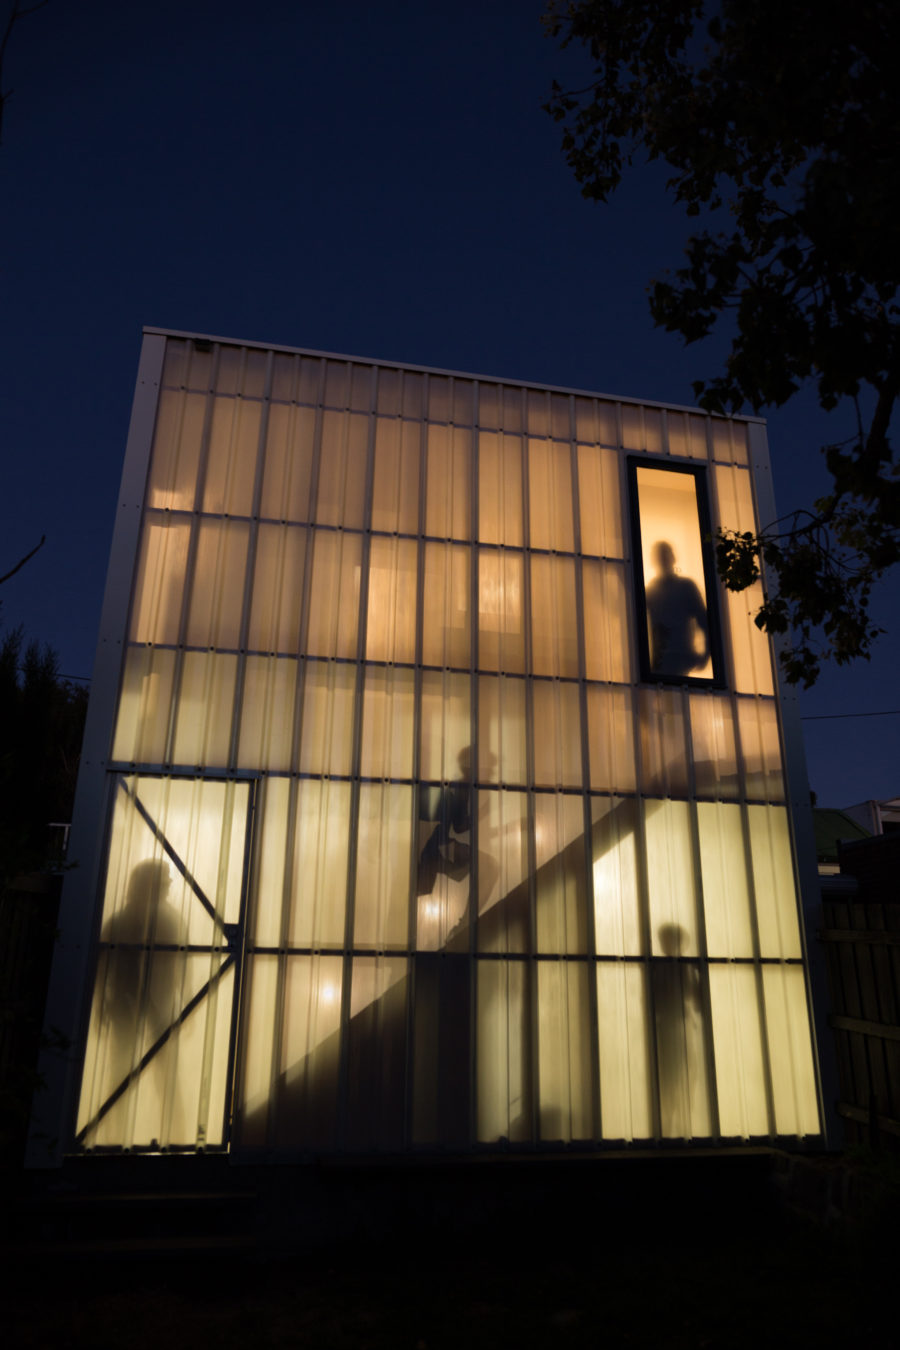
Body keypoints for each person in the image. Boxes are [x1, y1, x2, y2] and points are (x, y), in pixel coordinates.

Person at [645, 541, 710, 676]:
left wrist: (706, 653)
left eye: (664, 556)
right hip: (666, 658)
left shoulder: (685, 586)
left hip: (676, 656)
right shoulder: (650, 591)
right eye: (660, 557)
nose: (663, 560)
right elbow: (704, 621)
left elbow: (704, 622)